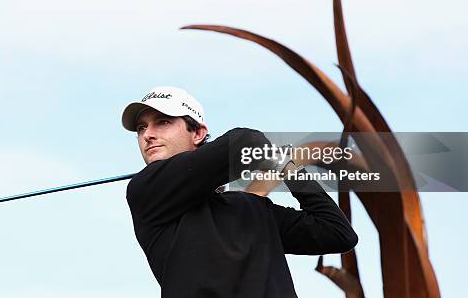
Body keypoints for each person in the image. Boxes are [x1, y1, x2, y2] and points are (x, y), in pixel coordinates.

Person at [122, 86, 358, 298]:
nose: (147, 135)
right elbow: (247, 141)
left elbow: (337, 232)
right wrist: (276, 159)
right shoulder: (145, 191)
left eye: (162, 122)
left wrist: (291, 170)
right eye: (142, 128)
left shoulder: (250, 207)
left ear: (198, 133)